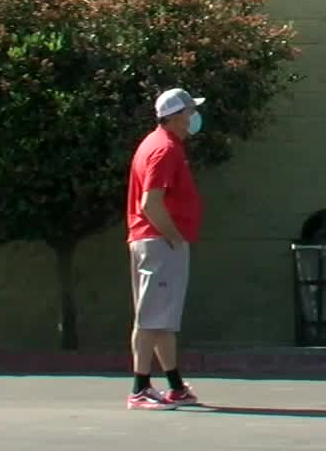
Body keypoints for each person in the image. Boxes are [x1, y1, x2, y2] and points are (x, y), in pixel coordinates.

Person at [125, 88, 206, 410]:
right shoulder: (163, 149)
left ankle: (175, 386)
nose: (192, 117)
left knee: (162, 319)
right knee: (150, 319)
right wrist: (173, 237)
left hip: (157, 241)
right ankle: (140, 389)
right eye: (188, 111)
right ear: (173, 116)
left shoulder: (163, 144)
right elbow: (151, 202)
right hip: (159, 241)